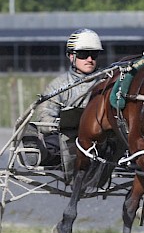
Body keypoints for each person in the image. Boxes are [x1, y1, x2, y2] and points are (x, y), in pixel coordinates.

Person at [23, 29, 105, 167]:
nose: (90, 59)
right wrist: (61, 124)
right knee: (55, 144)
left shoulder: (107, 82)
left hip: (99, 138)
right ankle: (38, 151)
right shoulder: (58, 85)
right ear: (71, 56)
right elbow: (45, 115)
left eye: (94, 55)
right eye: (83, 54)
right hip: (67, 137)